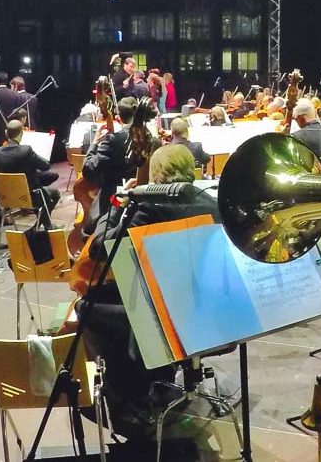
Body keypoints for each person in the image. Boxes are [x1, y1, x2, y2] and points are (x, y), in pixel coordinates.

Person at [74, 145, 220, 425]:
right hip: (198, 303)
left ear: (157, 174)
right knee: (112, 296)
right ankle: (157, 373)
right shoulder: (210, 203)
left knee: (86, 306)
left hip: (160, 311)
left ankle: (129, 393)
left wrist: (118, 205)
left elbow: (100, 250)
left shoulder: (151, 205)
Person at [83, 97, 159, 222]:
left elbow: (88, 170)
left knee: (90, 230)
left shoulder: (113, 140)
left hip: (113, 203)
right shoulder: (153, 140)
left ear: (119, 117)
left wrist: (95, 143)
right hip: (147, 206)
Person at [0, 120, 59, 227]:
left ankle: (40, 226)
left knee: (43, 190)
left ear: (6, 134)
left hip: (7, 197)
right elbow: (45, 166)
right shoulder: (26, 150)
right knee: (54, 193)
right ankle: (46, 227)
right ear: (21, 134)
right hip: (29, 196)